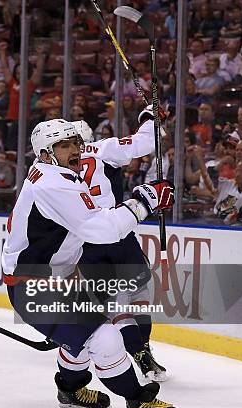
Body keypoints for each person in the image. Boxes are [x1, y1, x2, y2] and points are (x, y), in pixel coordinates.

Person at [1, 119, 181, 408]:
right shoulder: (52, 183)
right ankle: (138, 401)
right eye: (64, 146)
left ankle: (70, 390)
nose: (75, 150)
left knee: (81, 341)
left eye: (75, 142)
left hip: (56, 278)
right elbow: (101, 231)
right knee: (105, 339)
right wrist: (143, 203)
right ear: (46, 153)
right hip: (33, 287)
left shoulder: (56, 173)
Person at [71, 109, 168, 381]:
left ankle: (134, 350)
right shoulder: (101, 148)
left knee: (113, 300)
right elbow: (147, 142)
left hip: (85, 240)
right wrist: (151, 118)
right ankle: (143, 351)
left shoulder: (57, 165)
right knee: (137, 291)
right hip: (117, 231)